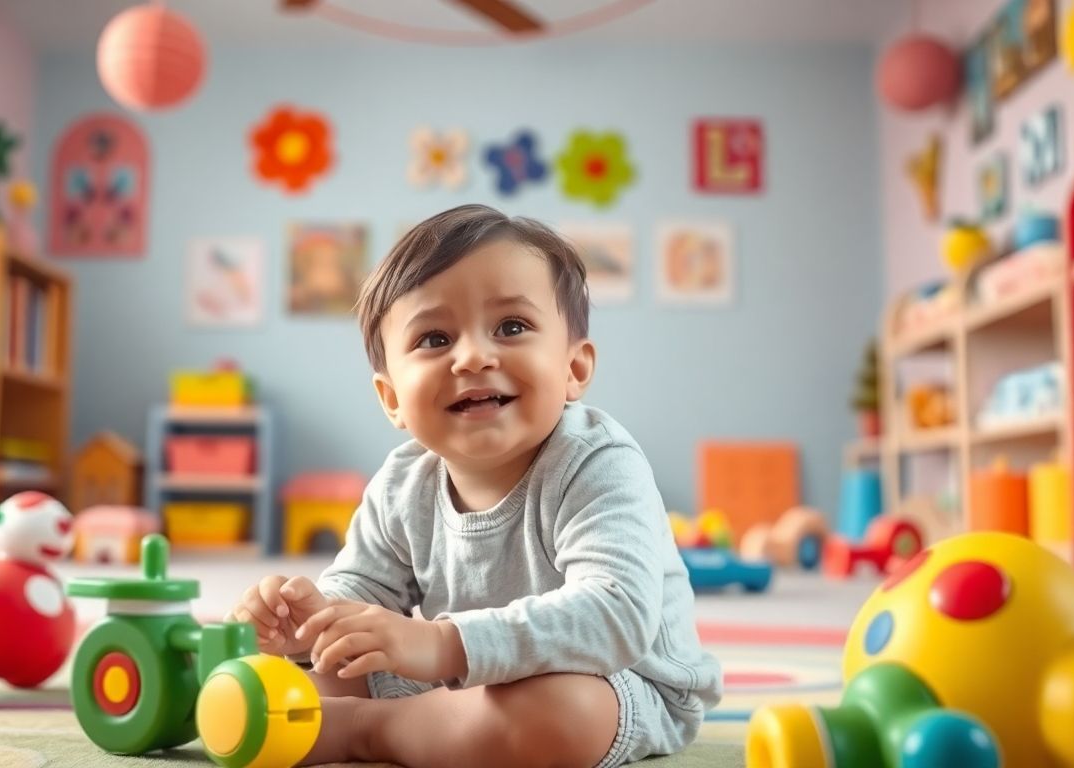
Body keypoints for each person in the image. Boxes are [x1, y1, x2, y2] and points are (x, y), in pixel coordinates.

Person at [233, 204, 721, 768]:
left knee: (557, 714)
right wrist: (311, 622)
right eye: (435, 338)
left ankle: (369, 733)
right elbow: (365, 591)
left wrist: (442, 644)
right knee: (298, 680)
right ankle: (380, 722)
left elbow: (617, 615)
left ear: (574, 369)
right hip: (464, 679)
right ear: (392, 398)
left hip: (617, 682)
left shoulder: (597, 461)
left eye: (511, 327)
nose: (473, 356)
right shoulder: (403, 481)